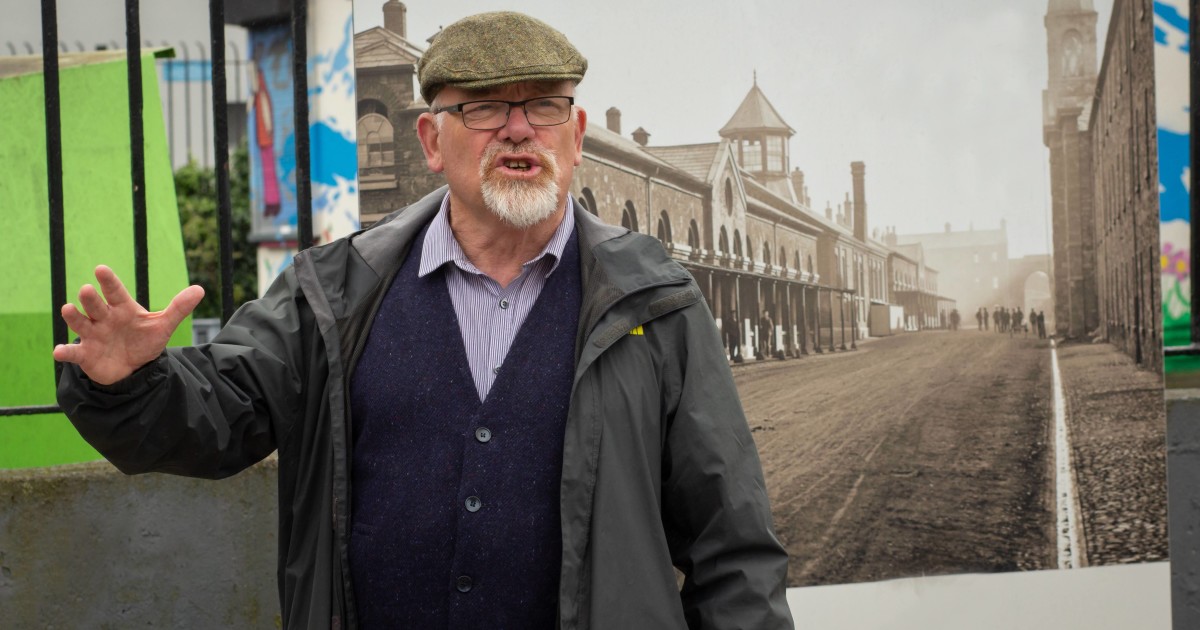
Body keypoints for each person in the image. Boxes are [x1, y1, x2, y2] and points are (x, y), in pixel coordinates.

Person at [52, 12, 792, 630]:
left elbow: (732, 548)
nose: (516, 130)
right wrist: (131, 385)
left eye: (543, 105)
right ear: (431, 141)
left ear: (575, 134)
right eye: (481, 106)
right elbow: (218, 417)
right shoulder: (333, 295)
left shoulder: (656, 303)